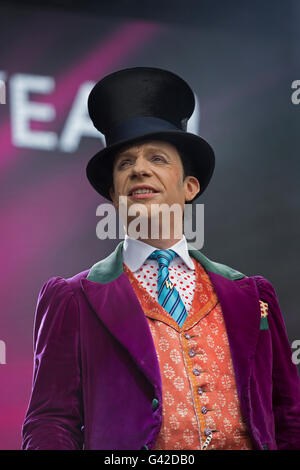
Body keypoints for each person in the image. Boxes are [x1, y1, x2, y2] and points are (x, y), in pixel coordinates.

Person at [22, 67, 300, 450]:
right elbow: (50, 423)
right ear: (114, 193)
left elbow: (289, 416)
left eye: (157, 158)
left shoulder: (254, 296)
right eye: (125, 164)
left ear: (190, 187)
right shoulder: (72, 299)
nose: (139, 168)